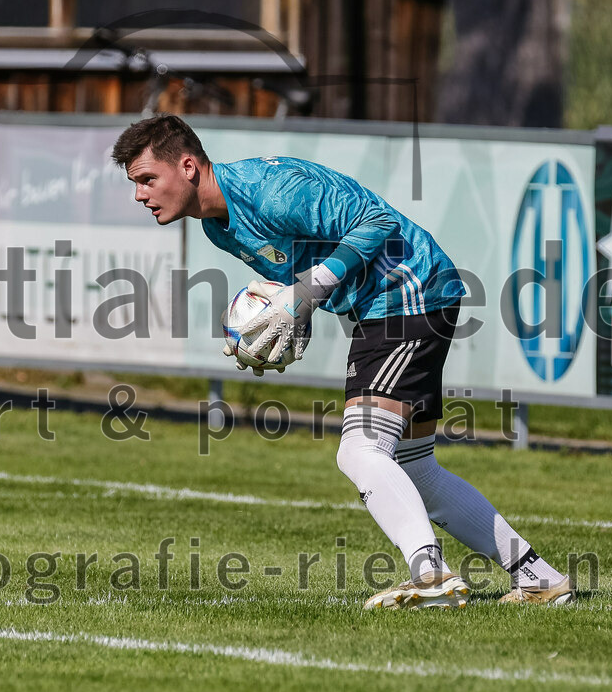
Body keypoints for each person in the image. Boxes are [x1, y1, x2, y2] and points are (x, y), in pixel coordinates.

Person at [112, 113, 576, 610]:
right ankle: (538, 578)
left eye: (146, 179)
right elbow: (306, 273)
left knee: (360, 450)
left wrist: (307, 294)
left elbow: (377, 223)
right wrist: (290, 323)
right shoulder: (218, 229)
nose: (140, 194)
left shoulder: (269, 190)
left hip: (407, 294)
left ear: (187, 166)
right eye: (135, 183)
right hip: (381, 309)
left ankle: (431, 575)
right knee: (414, 468)